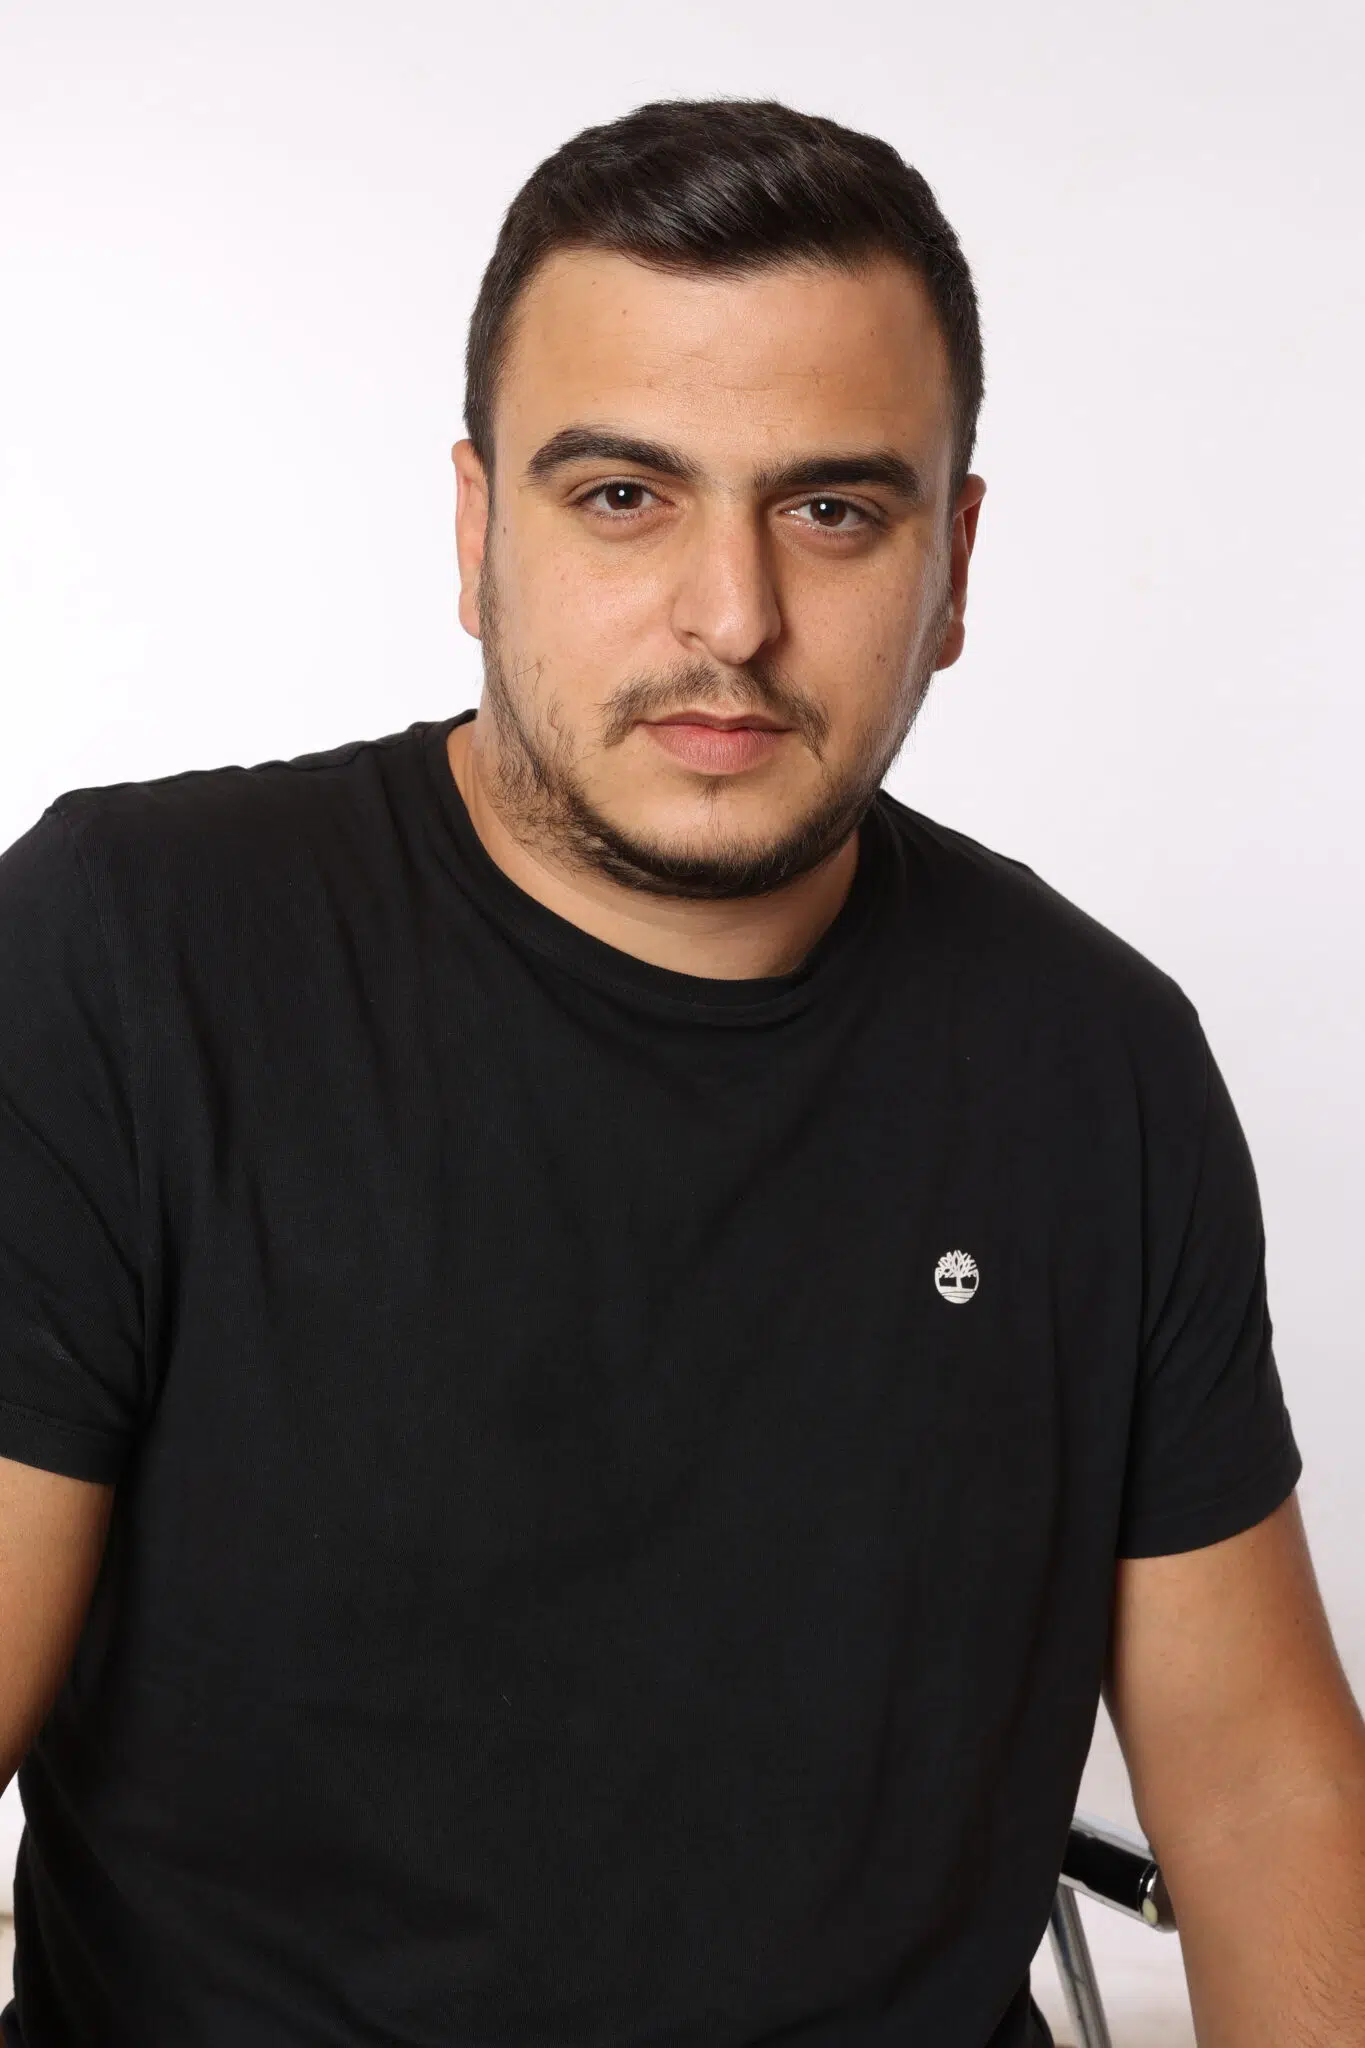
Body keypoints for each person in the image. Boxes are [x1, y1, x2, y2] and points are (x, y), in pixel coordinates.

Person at [0, 96, 1361, 2048]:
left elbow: (1260, 1791)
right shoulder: (129, 953)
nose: (732, 616)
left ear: (954, 564)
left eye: (832, 510)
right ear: (478, 529)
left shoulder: (1094, 1059)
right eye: (625, 494)